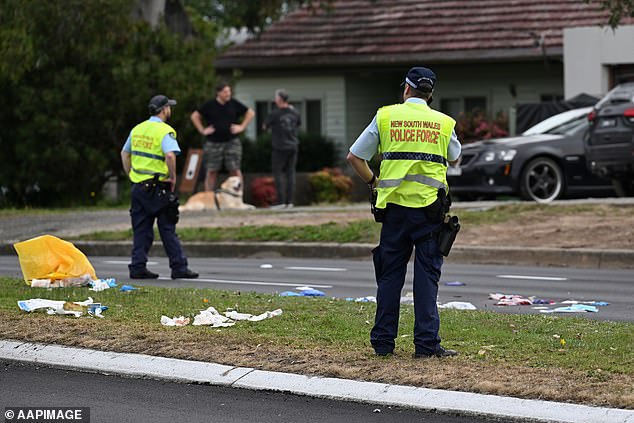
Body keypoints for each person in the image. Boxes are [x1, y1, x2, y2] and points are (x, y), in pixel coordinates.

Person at [346, 67, 462, 358]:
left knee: (389, 277)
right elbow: (455, 155)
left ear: (406, 89)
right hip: (430, 213)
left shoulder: (385, 116)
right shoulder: (443, 123)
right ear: (430, 94)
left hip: (394, 212)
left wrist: (374, 183)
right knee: (426, 278)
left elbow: (354, 156)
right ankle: (426, 345)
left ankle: (383, 344)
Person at [121, 94, 198, 280]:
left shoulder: (137, 129)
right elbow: (170, 156)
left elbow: (125, 153)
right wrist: (172, 177)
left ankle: (137, 267)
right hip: (159, 187)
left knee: (141, 229)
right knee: (167, 227)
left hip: (139, 186)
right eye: (169, 107)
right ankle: (178, 267)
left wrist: (131, 174)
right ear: (164, 110)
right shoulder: (165, 131)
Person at [190, 82, 255, 192]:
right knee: (212, 171)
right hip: (213, 142)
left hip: (232, 142)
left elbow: (250, 113)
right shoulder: (210, 105)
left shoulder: (233, 103)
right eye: (225, 92)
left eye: (229, 91)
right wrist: (202, 130)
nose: (228, 94)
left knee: (235, 169)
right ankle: (209, 197)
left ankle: (239, 197)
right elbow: (195, 116)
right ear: (218, 93)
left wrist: (242, 126)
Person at [263, 89, 301, 208]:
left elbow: (264, 126)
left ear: (279, 99)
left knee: (278, 173)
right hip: (293, 146)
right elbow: (298, 124)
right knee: (290, 173)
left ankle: (281, 201)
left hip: (279, 147)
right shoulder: (295, 112)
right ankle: (290, 202)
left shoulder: (275, 113)